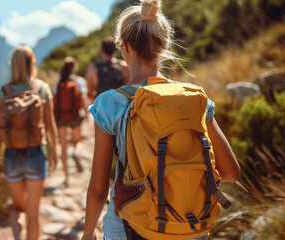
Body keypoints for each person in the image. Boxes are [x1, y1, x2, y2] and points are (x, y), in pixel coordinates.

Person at [81, 1, 241, 240]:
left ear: (123, 47)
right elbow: (230, 172)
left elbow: (98, 188)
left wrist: (87, 233)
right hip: (190, 225)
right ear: (164, 44)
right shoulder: (195, 98)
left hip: (128, 228)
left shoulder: (110, 103)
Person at [0, 45, 58, 240]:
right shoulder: (42, 89)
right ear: (33, 63)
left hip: (12, 156)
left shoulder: (2, 92)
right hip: (36, 154)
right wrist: (54, 151)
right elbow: (50, 125)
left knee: (17, 208)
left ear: (12, 65)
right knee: (32, 212)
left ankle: (18, 237)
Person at [53, 57, 88, 186]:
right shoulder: (79, 81)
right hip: (74, 116)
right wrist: (87, 114)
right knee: (77, 141)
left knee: (63, 147)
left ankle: (66, 176)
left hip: (61, 117)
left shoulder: (57, 83)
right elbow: (83, 98)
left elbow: (54, 102)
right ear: (74, 68)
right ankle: (76, 153)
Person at [85, 36, 130, 100]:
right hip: (120, 106)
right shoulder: (124, 66)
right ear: (115, 50)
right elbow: (127, 89)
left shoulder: (93, 69)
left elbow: (90, 93)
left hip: (102, 107)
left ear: (101, 51)